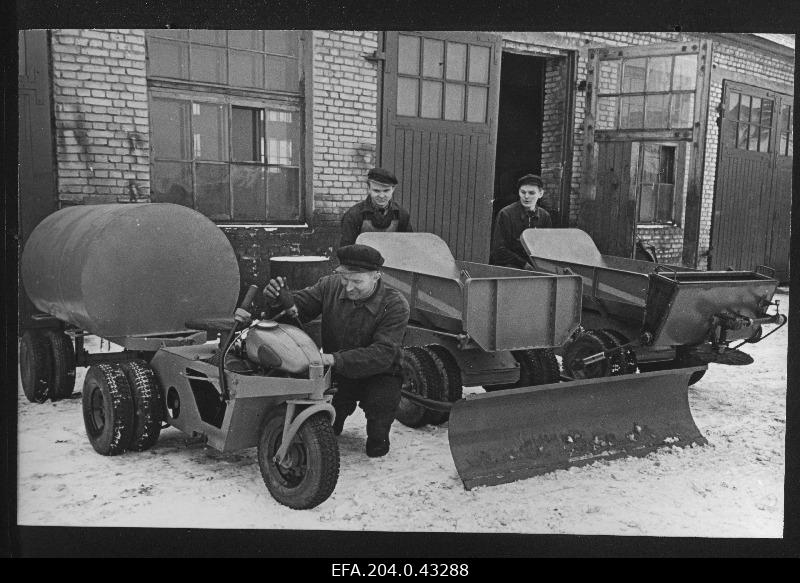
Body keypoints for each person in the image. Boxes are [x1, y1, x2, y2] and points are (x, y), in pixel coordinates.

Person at [262, 244, 410, 458]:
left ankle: (379, 433)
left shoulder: (395, 305)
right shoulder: (329, 286)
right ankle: (338, 415)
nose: (348, 288)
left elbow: (382, 354)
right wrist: (278, 299)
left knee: (378, 442)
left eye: (357, 281)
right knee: (329, 429)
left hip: (381, 373)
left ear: (376, 276)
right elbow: (298, 310)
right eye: (344, 279)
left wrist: (331, 358)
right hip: (339, 372)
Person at [489, 173, 553, 269]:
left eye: (531, 193)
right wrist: (523, 264)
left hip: (537, 268)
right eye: (523, 192)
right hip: (510, 268)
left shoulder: (545, 216)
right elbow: (498, 250)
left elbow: (547, 248)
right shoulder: (506, 214)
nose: (526, 196)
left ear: (540, 194)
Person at [339, 167, 413, 247]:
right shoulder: (353, 216)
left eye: (386, 191)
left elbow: (409, 247)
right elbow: (345, 252)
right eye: (376, 191)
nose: (381, 196)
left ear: (393, 189)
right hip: (362, 259)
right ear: (369, 189)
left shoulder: (401, 215)